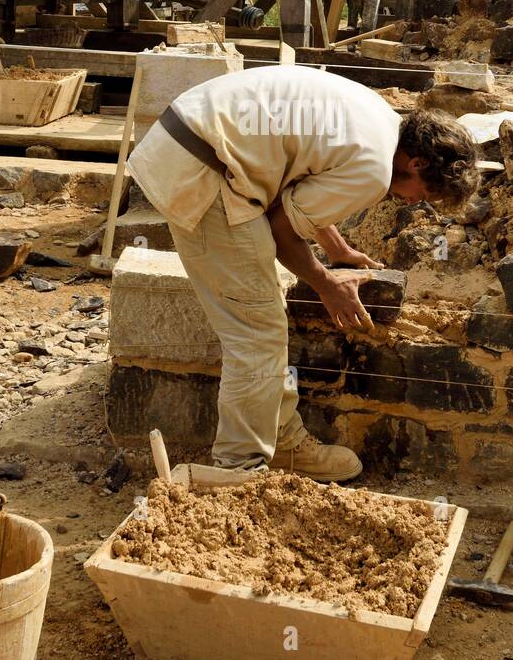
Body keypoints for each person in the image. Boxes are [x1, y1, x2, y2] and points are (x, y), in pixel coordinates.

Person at [127, 64, 478, 482]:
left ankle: (282, 442)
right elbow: (281, 230)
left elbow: (296, 191)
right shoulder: (374, 170)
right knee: (255, 331)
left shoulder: (380, 121)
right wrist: (326, 284)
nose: (412, 203)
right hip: (205, 171)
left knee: (264, 316)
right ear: (418, 163)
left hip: (193, 144)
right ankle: (238, 469)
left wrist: (338, 249)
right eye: (424, 194)